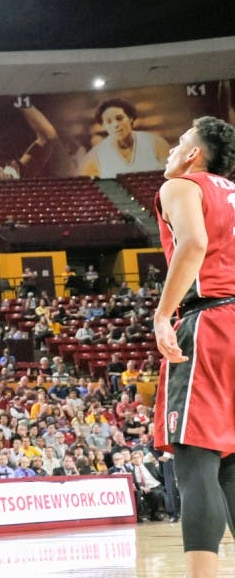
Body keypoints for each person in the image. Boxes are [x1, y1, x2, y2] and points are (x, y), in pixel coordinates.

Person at [151, 116, 235, 578]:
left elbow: (195, 243)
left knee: (196, 458)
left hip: (213, 321)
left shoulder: (183, 186)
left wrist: (164, 313)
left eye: (178, 141)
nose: (170, 150)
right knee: (233, 463)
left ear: (193, 155)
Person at [79, 98, 170, 178]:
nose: (116, 125)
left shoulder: (156, 143)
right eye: (109, 122)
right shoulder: (94, 157)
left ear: (130, 118)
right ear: (103, 126)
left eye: (119, 118)